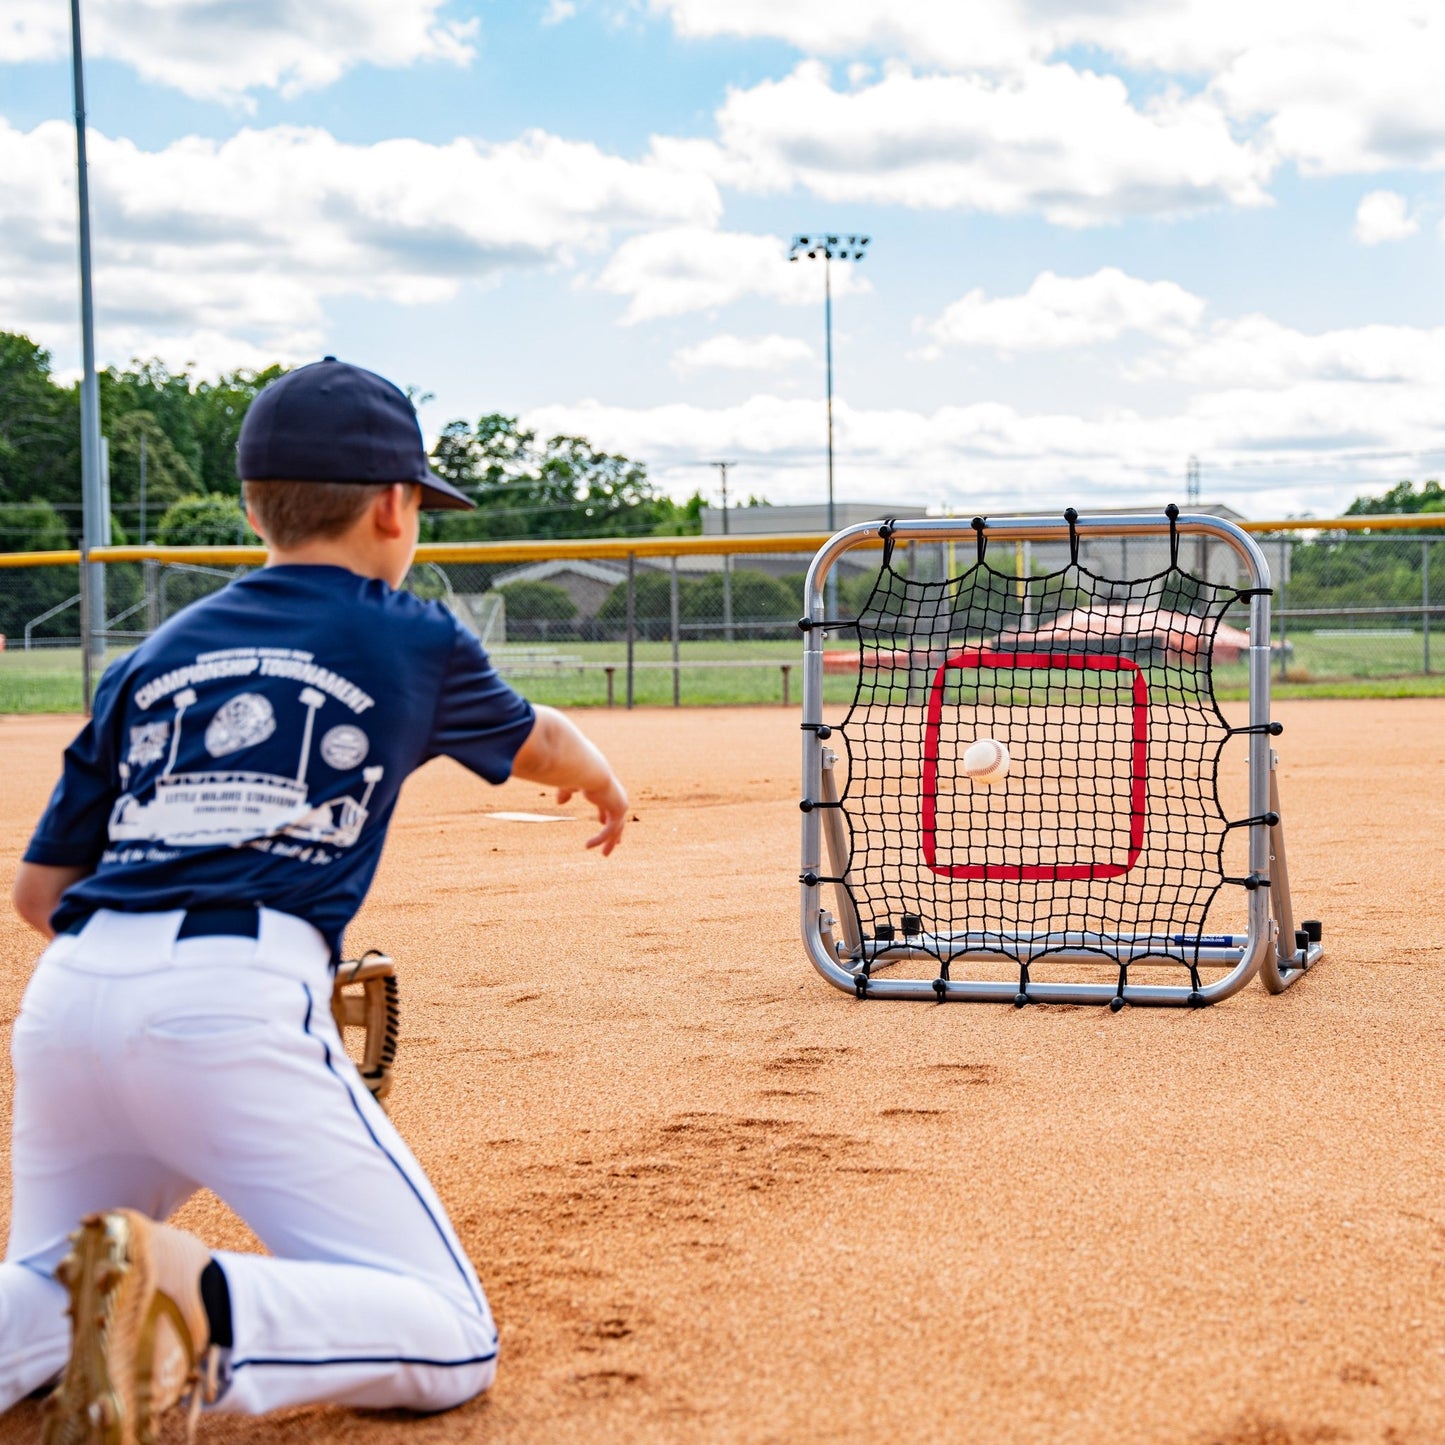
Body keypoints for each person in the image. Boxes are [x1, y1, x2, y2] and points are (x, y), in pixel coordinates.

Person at [0, 358, 628, 1439]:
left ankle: (128, 1306)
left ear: (252, 506)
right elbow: (540, 740)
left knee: (45, 1301)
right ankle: (196, 1310)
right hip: (234, 1002)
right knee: (447, 1330)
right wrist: (598, 776)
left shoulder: (148, 656)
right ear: (395, 506)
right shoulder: (405, 629)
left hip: (68, 1002)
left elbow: (38, 891)